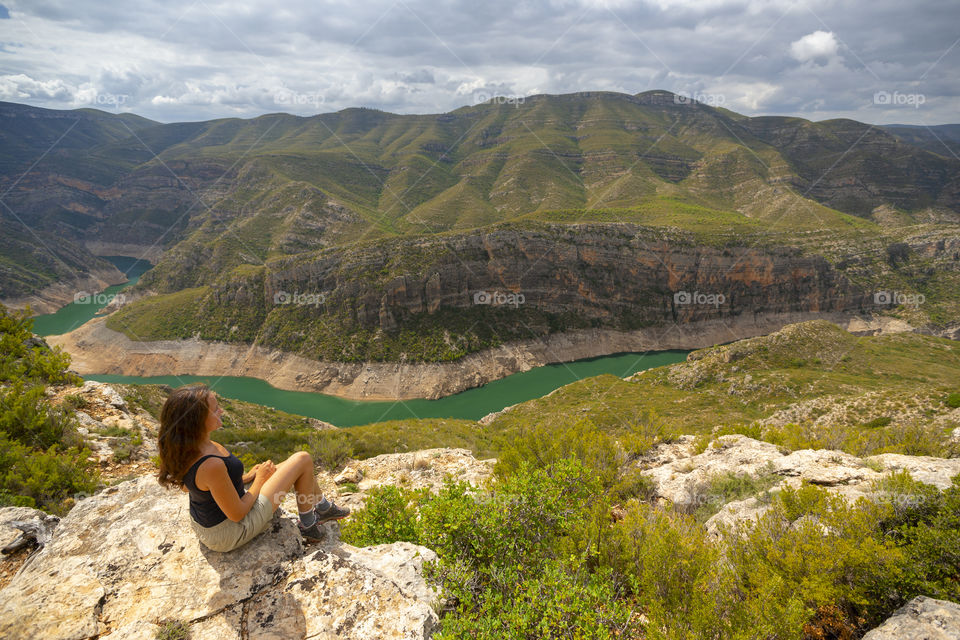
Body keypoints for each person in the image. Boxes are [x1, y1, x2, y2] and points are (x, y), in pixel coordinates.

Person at [156, 384, 350, 552]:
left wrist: (247, 477)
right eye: (215, 410)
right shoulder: (210, 463)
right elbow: (237, 513)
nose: (221, 411)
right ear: (197, 420)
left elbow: (196, 487)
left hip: (207, 524)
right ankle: (308, 525)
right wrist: (260, 480)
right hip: (229, 532)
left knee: (298, 465)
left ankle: (322, 507)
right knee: (303, 458)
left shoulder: (189, 447)